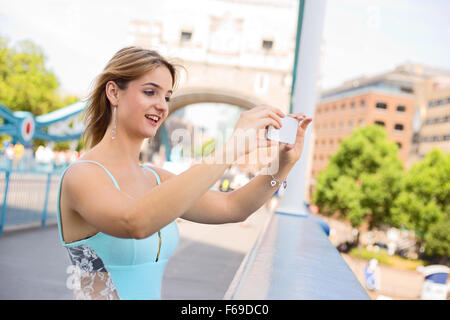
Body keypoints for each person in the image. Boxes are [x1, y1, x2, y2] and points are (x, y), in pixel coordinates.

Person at [57, 46, 312, 300]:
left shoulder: (156, 178)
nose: (162, 106)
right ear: (113, 92)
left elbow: (233, 207)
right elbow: (134, 222)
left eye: (167, 97)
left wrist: (283, 163)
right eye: (150, 92)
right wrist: (230, 148)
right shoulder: (82, 175)